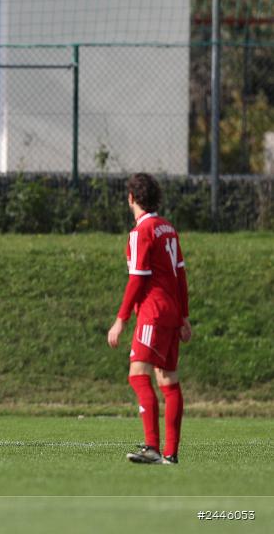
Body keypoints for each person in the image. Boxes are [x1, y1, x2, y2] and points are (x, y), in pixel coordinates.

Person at [107, 173, 191, 465]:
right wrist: (184, 316)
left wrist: (121, 318)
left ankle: (153, 447)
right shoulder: (168, 228)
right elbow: (180, 274)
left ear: (131, 198)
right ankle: (171, 454)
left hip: (152, 313)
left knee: (137, 375)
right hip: (171, 311)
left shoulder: (140, 232)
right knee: (168, 378)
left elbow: (138, 279)